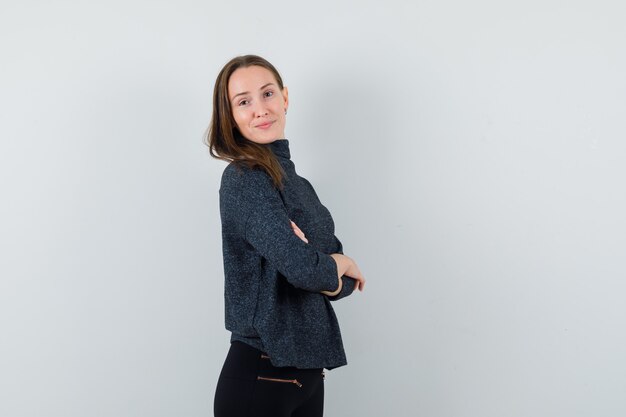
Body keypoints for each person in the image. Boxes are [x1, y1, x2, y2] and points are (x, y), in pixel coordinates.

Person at [206, 54, 366, 417]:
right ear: (230, 115)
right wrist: (338, 262)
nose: (260, 109)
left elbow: (340, 286)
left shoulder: (301, 187)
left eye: (267, 94)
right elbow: (308, 269)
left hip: (307, 376)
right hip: (261, 372)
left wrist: (322, 265)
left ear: (285, 98)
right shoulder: (244, 179)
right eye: (243, 102)